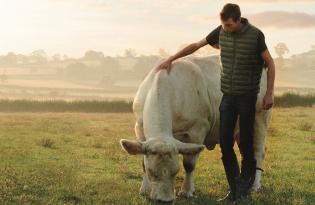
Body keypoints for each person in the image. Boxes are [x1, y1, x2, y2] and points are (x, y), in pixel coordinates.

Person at [155, 3, 275, 202]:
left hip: (248, 95)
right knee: (225, 144)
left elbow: (270, 63)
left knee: (246, 143)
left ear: (238, 20)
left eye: (229, 25)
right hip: (227, 95)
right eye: (223, 25)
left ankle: (244, 190)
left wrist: (269, 93)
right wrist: (172, 58)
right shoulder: (221, 31)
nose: (225, 29)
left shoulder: (255, 35)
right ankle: (235, 188)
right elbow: (196, 45)